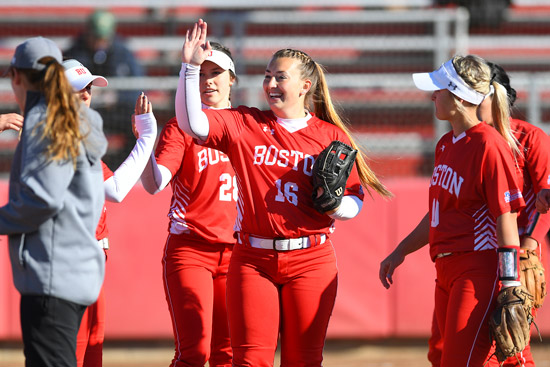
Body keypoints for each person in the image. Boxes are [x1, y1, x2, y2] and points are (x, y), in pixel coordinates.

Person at [176, 19, 392, 366]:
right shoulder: (245, 122)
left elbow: (355, 201)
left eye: (280, 77)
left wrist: (336, 205)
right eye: (266, 75)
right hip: (252, 259)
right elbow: (192, 123)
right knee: (249, 361)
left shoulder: (329, 135)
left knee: (303, 361)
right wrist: (189, 68)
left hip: (311, 260)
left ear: (306, 85)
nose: (270, 83)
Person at [379, 54, 525, 367]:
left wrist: (510, 282)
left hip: (476, 267)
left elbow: (506, 215)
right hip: (445, 269)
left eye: (439, 90)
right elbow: (437, 214)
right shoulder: (446, 143)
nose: (433, 96)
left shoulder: (489, 144)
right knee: (442, 356)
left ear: (457, 98)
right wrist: (400, 251)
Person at [1, 36, 107, 367]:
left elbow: (42, 200)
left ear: (15, 76)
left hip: (51, 278)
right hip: (69, 272)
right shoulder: (70, 119)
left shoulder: (45, 120)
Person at [140, 41, 236, 367]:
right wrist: (143, 145)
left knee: (229, 354)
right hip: (191, 250)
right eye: (202, 74)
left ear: (231, 79)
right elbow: (155, 183)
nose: (208, 81)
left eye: (216, 73)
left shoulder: (250, 125)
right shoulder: (181, 129)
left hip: (240, 253)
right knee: (194, 353)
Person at [62, 58, 158, 367]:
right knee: (74, 351)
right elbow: (115, 190)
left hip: (88, 256)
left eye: (87, 89)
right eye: (77, 90)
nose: (85, 95)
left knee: (91, 345)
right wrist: (145, 139)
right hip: (73, 257)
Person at [476, 61, 550, 367]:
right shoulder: (467, 141)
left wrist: (530, 244)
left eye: (477, 93)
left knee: (512, 344)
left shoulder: (529, 137)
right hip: (475, 254)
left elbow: (547, 196)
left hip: (516, 252)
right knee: (448, 345)